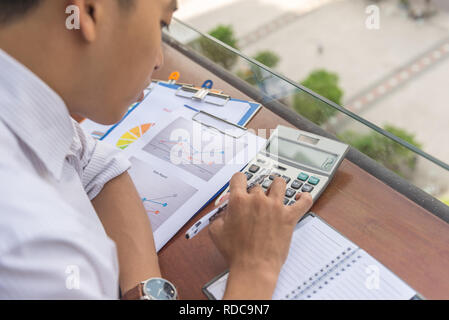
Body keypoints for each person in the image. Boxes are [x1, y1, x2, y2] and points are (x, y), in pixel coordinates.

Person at [0, 0, 313, 299]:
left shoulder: (25, 107)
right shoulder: (33, 249)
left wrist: (149, 293)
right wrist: (257, 267)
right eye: (161, 23)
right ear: (91, 11)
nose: (159, 60)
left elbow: (97, 166)